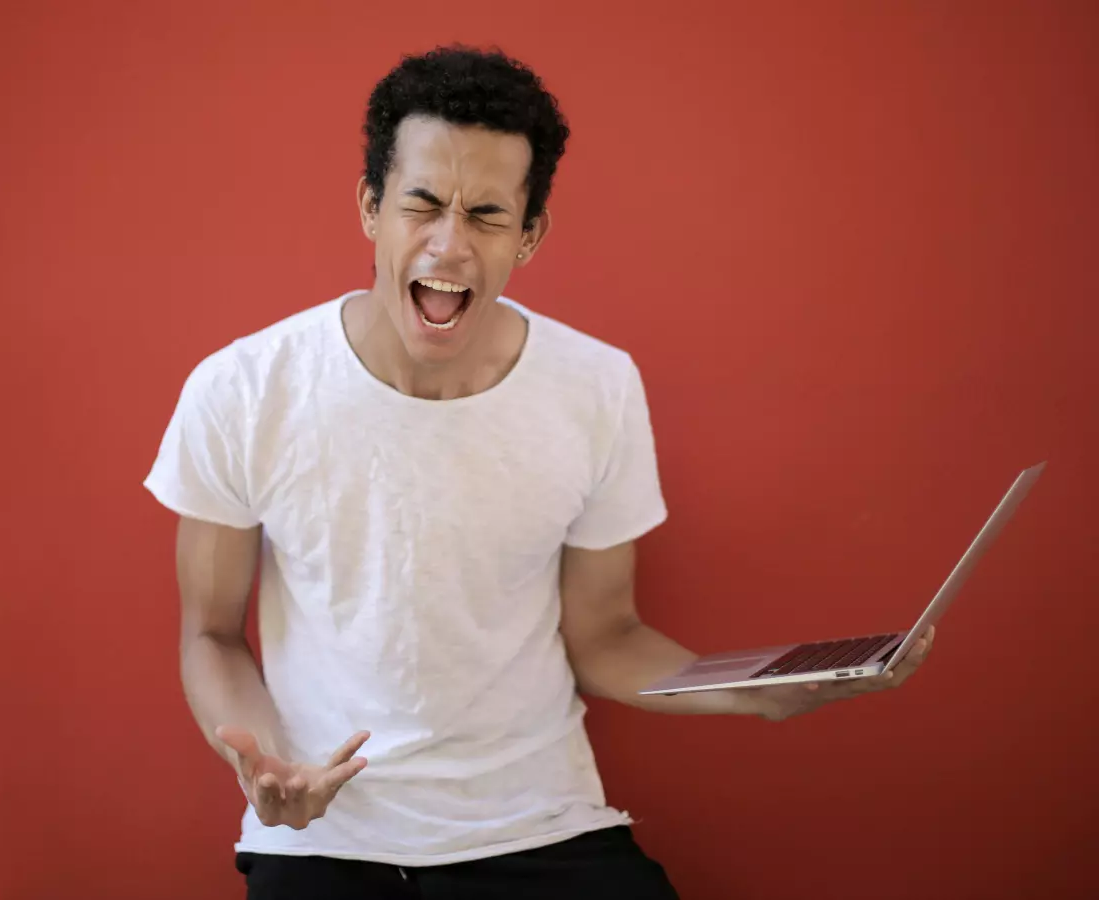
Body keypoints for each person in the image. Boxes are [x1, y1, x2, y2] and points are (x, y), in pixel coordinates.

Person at [143, 45, 934, 900]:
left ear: (529, 235)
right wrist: (269, 762)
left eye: (486, 214)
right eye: (421, 204)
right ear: (371, 207)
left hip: (539, 826)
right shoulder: (244, 389)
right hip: (325, 835)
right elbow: (213, 634)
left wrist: (757, 697)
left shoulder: (596, 387)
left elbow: (604, 635)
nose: (448, 243)